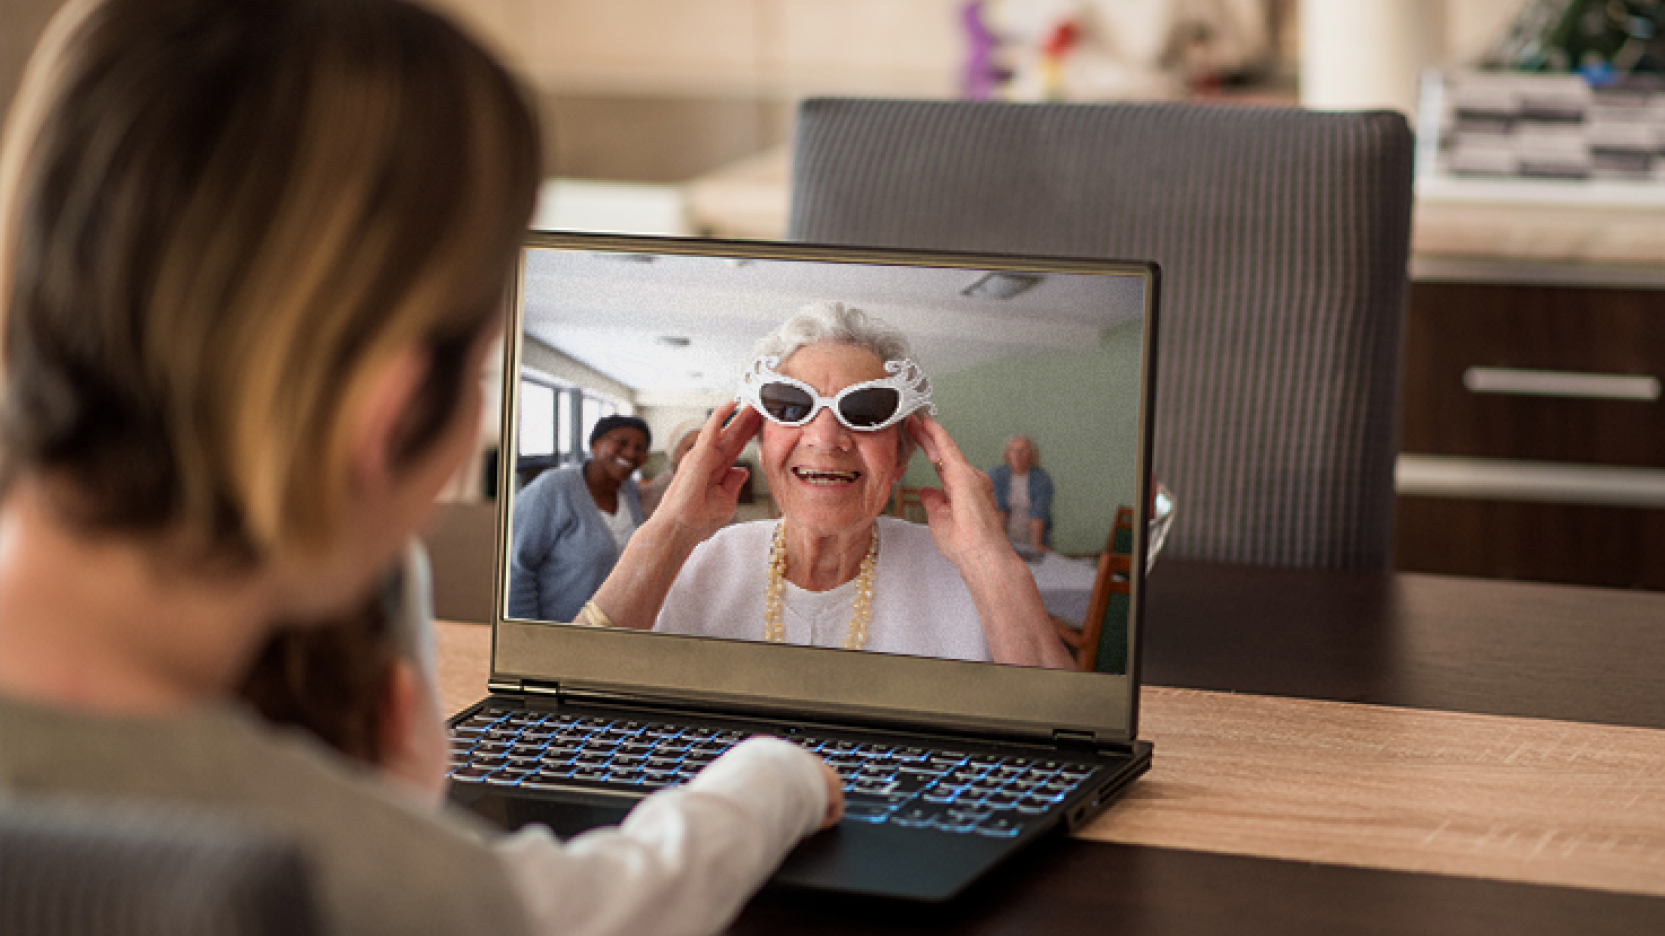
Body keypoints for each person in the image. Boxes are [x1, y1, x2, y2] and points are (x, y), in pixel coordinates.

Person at [0, 2, 840, 935]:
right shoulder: (298, 867)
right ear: (391, 416)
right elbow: (572, 918)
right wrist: (774, 776)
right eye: (485, 361)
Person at [576, 302, 1074, 670]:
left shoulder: (967, 580)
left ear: (903, 452)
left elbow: (1066, 745)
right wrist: (669, 530)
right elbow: (573, 708)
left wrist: (992, 563)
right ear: (758, 436)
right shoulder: (690, 564)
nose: (826, 437)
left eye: (865, 411)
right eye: (792, 406)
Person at [509, 415, 650, 622]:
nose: (631, 453)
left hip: (606, 628)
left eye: (640, 448)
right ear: (595, 444)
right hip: (557, 628)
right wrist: (526, 632)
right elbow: (515, 567)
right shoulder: (553, 489)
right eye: (621, 443)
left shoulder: (629, 490)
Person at [988, 435, 1055, 555]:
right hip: (1004, 537)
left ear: (1032, 456)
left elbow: (1039, 514)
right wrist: (999, 543)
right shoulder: (996, 475)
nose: (1016, 455)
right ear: (1007, 454)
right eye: (1012, 450)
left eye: (1022, 451)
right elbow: (999, 510)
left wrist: (1037, 546)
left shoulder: (1042, 479)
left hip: (1032, 538)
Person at [639, 420, 701, 518]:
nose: (700, 454)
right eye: (691, 447)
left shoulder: (713, 484)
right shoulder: (656, 491)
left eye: (707, 448)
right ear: (674, 453)